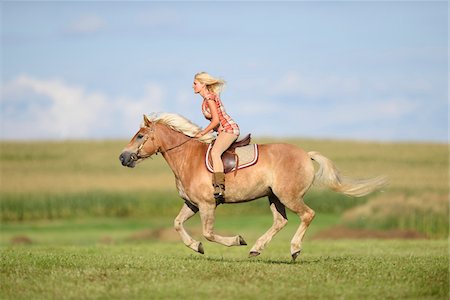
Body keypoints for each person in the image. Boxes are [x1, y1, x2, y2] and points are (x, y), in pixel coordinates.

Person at [193, 72, 240, 203]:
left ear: (203, 84)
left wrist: (203, 133)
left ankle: (219, 187)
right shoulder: (205, 99)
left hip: (229, 129)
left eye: (195, 83)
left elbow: (215, 121)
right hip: (223, 130)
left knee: (215, 153)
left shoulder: (209, 98)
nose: (193, 86)